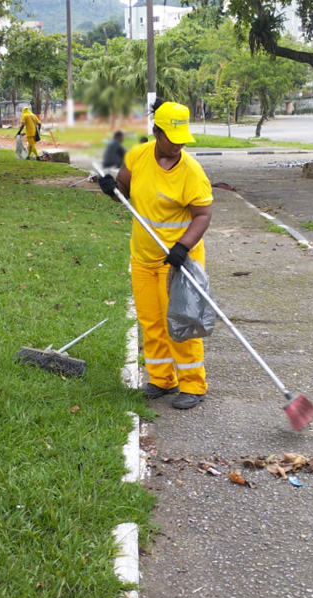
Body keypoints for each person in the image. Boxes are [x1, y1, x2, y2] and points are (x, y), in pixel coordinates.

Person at [98, 99, 213, 410]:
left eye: (181, 141)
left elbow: (203, 215)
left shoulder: (191, 172)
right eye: (171, 139)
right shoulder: (138, 156)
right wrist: (110, 188)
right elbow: (124, 190)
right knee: (151, 321)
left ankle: (193, 385)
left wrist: (182, 248)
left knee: (182, 323)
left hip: (178, 261)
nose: (177, 147)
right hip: (144, 257)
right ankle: (162, 379)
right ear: (156, 132)